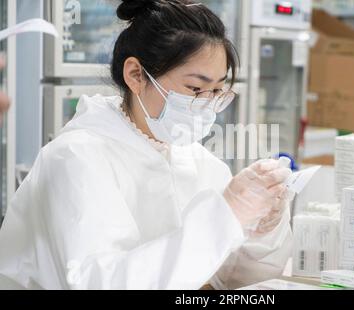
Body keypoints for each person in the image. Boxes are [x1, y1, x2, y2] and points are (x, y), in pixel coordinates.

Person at [0, 0, 293, 290]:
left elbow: (231, 280)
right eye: (195, 88)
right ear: (136, 75)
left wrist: (262, 230)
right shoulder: (76, 157)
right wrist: (224, 217)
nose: (207, 105)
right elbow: (102, 283)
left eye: (216, 90)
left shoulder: (195, 159)